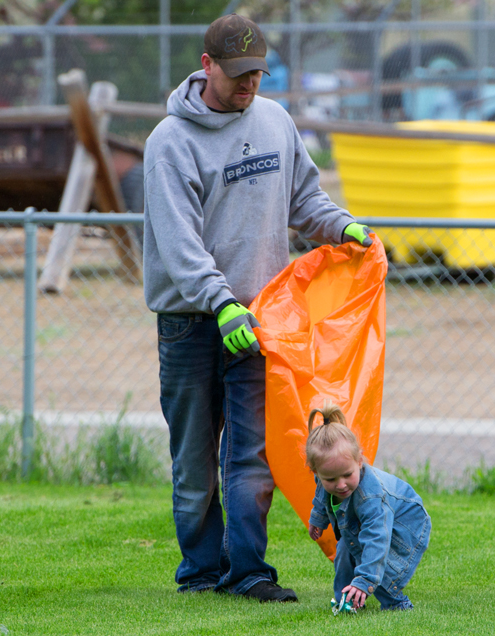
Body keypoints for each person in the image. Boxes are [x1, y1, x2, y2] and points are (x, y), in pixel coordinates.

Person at [142, 14, 374, 602]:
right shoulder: (170, 143)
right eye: (238, 75)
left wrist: (343, 226)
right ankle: (199, 572)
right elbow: (179, 244)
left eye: (257, 75)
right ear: (207, 66)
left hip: (263, 325)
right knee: (196, 461)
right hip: (193, 325)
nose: (249, 87)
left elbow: (305, 199)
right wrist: (221, 304)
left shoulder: (275, 122)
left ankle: (246, 571)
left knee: (252, 457)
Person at [306, 405, 431, 611]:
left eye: (347, 475)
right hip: (373, 519)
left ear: (360, 460)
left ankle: (396, 603)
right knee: (345, 550)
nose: (340, 485)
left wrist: (365, 580)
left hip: (405, 521)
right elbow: (322, 495)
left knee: (376, 561)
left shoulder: (371, 497)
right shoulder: (326, 477)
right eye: (330, 479)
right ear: (316, 472)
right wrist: (318, 519)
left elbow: (377, 539)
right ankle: (346, 601)